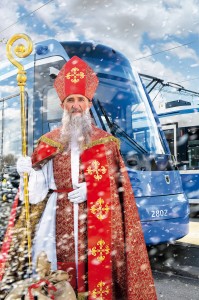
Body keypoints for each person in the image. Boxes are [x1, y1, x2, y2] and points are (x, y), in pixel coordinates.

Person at [0, 56, 157, 299]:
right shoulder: (48, 141)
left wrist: (94, 190)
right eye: (70, 100)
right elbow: (36, 193)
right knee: (52, 268)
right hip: (55, 215)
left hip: (93, 218)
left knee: (93, 269)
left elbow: (119, 187)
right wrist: (28, 172)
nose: (75, 105)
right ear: (63, 105)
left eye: (80, 100)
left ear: (89, 103)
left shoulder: (106, 142)